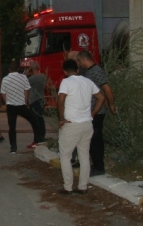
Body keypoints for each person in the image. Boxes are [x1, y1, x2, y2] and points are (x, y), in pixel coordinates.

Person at [57, 59, 105, 195]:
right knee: (84, 155)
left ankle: (68, 187)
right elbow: (101, 98)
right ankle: (83, 186)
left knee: (65, 155)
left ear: (65, 72)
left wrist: (61, 119)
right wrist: (93, 113)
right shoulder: (88, 82)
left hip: (71, 124)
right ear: (77, 70)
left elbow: (60, 101)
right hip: (87, 123)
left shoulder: (66, 82)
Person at [76, 50, 115, 176]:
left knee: (95, 140)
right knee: (88, 139)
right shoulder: (88, 72)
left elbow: (107, 89)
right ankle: (90, 163)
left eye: (78, 61)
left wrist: (111, 104)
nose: (78, 64)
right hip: (90, 111)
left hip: (96, 112)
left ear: (82, 60)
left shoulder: (96, 71)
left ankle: (99, 167)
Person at [0, 61, 42, 153]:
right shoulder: (23, 77)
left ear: (9, 69)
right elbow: (26, 90)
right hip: (21, 104)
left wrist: (7, 102)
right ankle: (38, 138)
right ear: (18, 69)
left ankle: (13, 147)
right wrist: (26, 101)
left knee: (12, 127)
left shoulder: (5, 79)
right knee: (33, 120)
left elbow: (3, 93)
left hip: (11, 105)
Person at [26, 61, 47, 145]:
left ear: (31, 69)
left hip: (33, 100)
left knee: (35, 121)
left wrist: (26, 74)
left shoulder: (31, 79)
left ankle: (37, 139)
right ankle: (42, 137)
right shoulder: (43, 76)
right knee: (41, 119)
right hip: (41, 99)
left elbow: (25, 85)